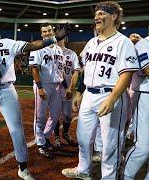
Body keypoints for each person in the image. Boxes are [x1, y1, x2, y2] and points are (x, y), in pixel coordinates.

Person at [0, 17, 68, 180]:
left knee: (16, 129)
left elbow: (31, 46)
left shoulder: (7, 43)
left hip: (7, 89)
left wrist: (53, 39)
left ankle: (22, 167)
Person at [61, 1, 139, 179]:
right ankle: (83, 169)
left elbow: (126, 75)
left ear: (114, 17)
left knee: (111, 143)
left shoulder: (123, 42)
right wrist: (79, 92)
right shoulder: (91, 42)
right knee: (83, 137)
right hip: (89, 94)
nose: (97, 17)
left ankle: (109, 177)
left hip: (111, 94)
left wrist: (112, 99)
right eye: (96, 14)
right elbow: (85, 69)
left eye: (102, 14)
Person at [28, 23, 65, 158]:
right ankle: (40, 144)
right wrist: (40, 87)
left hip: (57, 86)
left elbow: (60, 70)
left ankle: (45, 136)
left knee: (55, 115)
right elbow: (34, 69)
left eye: (49, 30)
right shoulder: (37, 47)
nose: (47, 33)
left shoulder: (58, 49)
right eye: (44, 31)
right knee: (40, 116)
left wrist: (64, 87)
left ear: (53, 31)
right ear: (41, 33)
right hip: (43, 85)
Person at [123, 36, 149, 179]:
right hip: (145, 95)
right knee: (143, 147)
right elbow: (147, 70)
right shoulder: (144, 43)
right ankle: (127, 176)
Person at [53, 37, 80, 148]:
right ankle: (56, 137)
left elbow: (76, 71)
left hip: (68, 88)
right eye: (56, 38)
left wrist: (71, 88)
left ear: (64, 39)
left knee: (68, 115)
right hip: (55, 89)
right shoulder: (52, 52)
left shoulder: (72, 54)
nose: (58, 40)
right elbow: (57, 72)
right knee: (55, 116)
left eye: (60, 38)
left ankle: (65, 133)